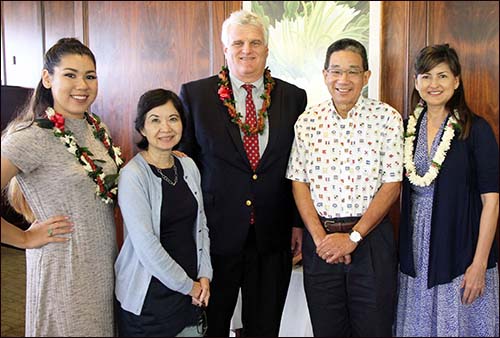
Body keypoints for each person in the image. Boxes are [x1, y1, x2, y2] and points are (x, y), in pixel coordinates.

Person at [178, 9, 307, 336]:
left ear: (266, 49)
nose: (246, 50)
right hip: (215, 235)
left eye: (255, 42)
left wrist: (296, 223)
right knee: (212, 326)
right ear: (225, 49)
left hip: (272, 234)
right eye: (238, 43)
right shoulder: (196, 96)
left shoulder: (293, 98)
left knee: (264, 327)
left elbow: (298, 169)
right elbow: (186, 168)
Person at [1, 37, 124, 336]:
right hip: (62, 271)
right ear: (47, 78)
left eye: (90, 76)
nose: (82, 85)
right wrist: (24, 239)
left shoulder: (98, 129)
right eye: (70, 74)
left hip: (102, 267)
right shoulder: (29, 137)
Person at [286, 38, 404, 336]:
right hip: (320, 244)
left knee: (374, 329)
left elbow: (392, 184)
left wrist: (352, 238)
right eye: (336, 71)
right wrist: (320, 238)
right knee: (327, 330)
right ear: (325, 75)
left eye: (353, 71)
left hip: (371, 242)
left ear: (366, 77)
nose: (343, 79)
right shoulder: (308, 121)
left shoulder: (387, 119)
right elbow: (299, 182)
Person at [396, 44, 499, 336]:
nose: (434, 84)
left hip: (461, 244)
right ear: (416, 82)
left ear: (456, 80)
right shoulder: (407, 129)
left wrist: (479, 264)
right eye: (426, 76)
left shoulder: (476, 129)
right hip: (416, 244)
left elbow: (492, 202)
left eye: (442, 76)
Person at [114, 89, 212, 337]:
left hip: (190, 293)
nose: (165, 128)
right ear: (142, 129)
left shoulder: (188, 165)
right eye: (155, 120)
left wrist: (204, 276)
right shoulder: (133, 175)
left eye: (173, 119)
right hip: (149, 299)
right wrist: (189, 286)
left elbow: (201, 226)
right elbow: (146, 246)